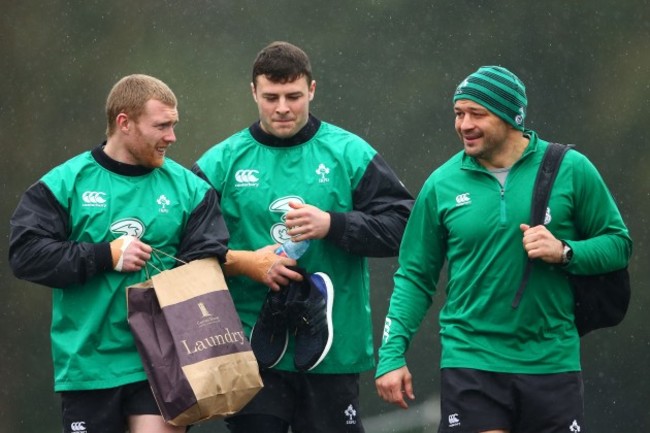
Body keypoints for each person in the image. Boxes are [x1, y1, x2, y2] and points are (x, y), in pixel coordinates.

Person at [8, 74, 278, 433]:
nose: (172, 137)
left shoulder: (191, 190)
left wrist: (240, 262)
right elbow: (25, 254)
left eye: (174, 125)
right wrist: (106, 255)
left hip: (164, 362)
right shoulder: (65, 184)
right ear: (124, 122)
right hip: (89, 365)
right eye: (162, 126)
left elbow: (205, 262)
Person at [375, 66, 632, 433]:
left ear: (513, 117)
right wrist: (391, 355)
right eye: (459, 114)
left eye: (477, 113)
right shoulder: (441, 184)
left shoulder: (571, 169)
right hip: (471, 359)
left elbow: (619, 244)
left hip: (551, 359)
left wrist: (565, 251)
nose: (464, 124)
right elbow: (415, 276)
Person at [193, 41, 414, 433]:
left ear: (312, 90)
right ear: (253, 93)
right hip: (248, 351)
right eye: (271, 97)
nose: (282, 108)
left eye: (294, 96)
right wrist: (247, 263)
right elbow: (182, 251)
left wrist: (334, 224)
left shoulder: (349, 153)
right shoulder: (220, 163)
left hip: (333, 350)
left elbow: (404, 227)